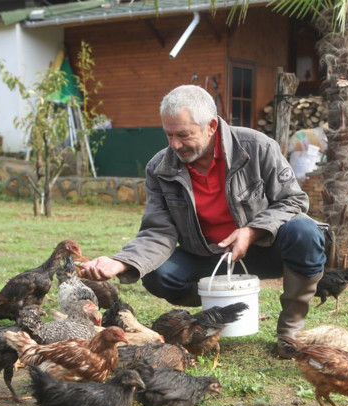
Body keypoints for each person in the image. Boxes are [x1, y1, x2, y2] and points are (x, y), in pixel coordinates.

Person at [79, 84, 326, 357]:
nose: (175, 145)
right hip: (208, 257)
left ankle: (289, 331)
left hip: (265, 249)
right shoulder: (159, 168)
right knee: (158, 275)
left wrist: (252, 231)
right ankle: (219, 311)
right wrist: (120, 261)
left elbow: (294, 200)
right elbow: (159, 231)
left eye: (184, 135)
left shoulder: (257, 147)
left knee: (305, 231)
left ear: (210, 126)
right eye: (169, 135)